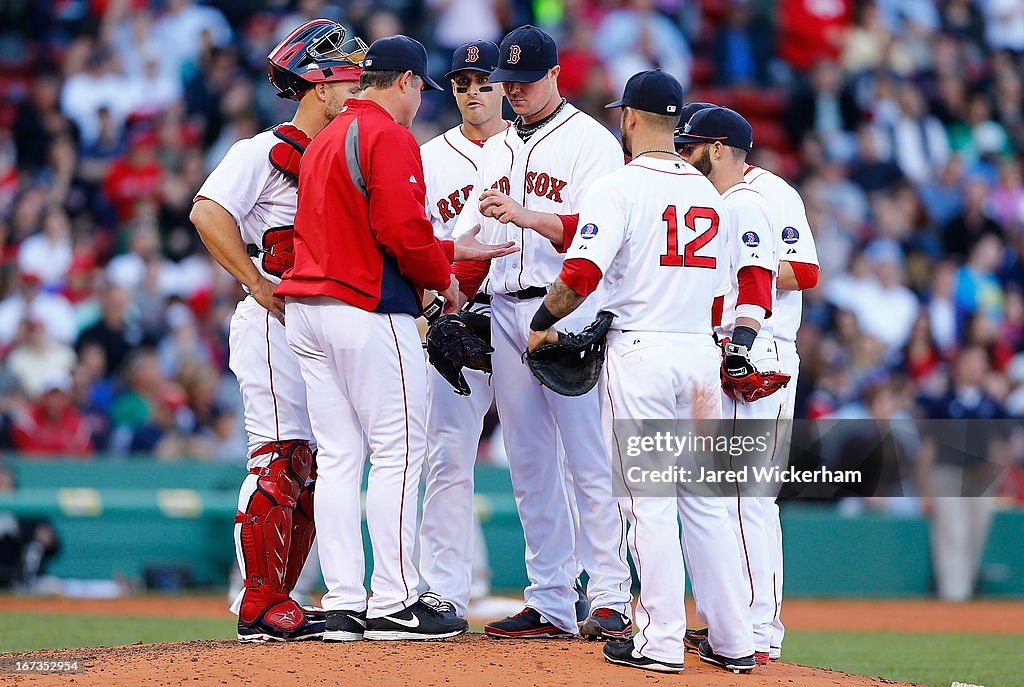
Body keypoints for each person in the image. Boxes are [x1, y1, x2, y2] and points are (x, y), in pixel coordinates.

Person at [274, 34, 514, 642]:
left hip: (307, 308)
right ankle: (396, 601)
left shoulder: (329, 133)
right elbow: (402, 234)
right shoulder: (389, 135)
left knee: (338, 459)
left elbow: (365, 225)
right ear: (405, 82)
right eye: (419, 90)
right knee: (399, 453)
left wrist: (452, 249)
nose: (419, 103)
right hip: (366, 309)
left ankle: (345, 601)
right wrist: (443, 286)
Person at [527, 71, 754, 673]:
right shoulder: (714, 194)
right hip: (701, 355)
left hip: (645, 352)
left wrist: (540, 324)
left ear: (628, 118)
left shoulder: (619, 185)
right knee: (706, 503)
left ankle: (657, 641)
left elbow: (579, 277)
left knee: (647, 503)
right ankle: (734, 640)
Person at [450, 25, 632, 640]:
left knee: (588, 460)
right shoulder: (500, 146)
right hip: (503, 305)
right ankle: (551, 599)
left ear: (555, 75)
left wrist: (529, 216)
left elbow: (596, 233)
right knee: (528, 463)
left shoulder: (592, 142)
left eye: (527, 82)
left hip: (570, 311)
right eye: (510, 83)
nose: (516, 92)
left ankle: (610, 595)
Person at [190, 19, 366, 643]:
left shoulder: (351, 149)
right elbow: (207, 212)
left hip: (323, 325)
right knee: (279, 457)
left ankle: (280, 599)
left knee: (315, 465)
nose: (358, 88)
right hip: (271, 321)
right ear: (317, 85)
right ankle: (258, 599)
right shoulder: (262, 150)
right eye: (347, 76)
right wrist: (256, 285)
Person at [676, 101, 820, 662]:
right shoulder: (713, 198)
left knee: (748, 500)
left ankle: (759, 633)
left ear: (716, 149)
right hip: (721, 350)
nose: (681, 158)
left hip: (762, 351)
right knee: (718, 496)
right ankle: (727, 622)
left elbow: (804, 270)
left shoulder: (768, 193)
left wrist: (744, 268)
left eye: (689, 147)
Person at [417, 40, 508, 619]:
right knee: (447, 455)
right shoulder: (428, 157)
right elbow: (412, 240)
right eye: (460, 82)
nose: (471, 91)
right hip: (456, 324)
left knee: (554, 460)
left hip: (527, 315)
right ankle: (444, 591)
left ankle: (579, 593)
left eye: (483, 80)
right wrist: (433, 314)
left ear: (505, 86)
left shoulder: (533, 146)